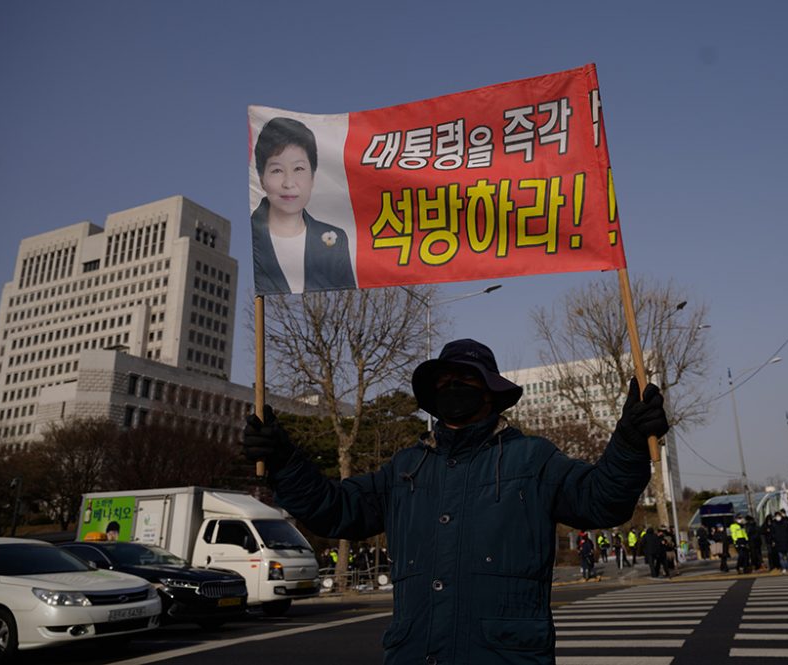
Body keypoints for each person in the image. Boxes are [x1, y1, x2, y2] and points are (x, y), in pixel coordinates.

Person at [242, 338, 668, 664]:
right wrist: (283, 459)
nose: (451, 388)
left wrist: (630, 442)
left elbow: (602, 501)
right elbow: (333, 508)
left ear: (489, 393)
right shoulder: (406, 468)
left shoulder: (532, 459)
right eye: (442, 383)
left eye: (462, 381)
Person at [251, 116, 356, 295]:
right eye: (277, 170)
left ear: (313, 176)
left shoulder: (335, 241)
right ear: (262, 179)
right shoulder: (252, 236)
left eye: (298, 169)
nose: (289, 183)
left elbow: (348, 300)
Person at [770, 510, 788, 574]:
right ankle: (784, 568)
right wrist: (774, 540)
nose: (778, 517)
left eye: (779, 516)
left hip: (786, 541)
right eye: (776, 516)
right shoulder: (773, 524)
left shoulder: (786, 522)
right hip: (778, 542)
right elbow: (772, 534)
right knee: (781, 557)